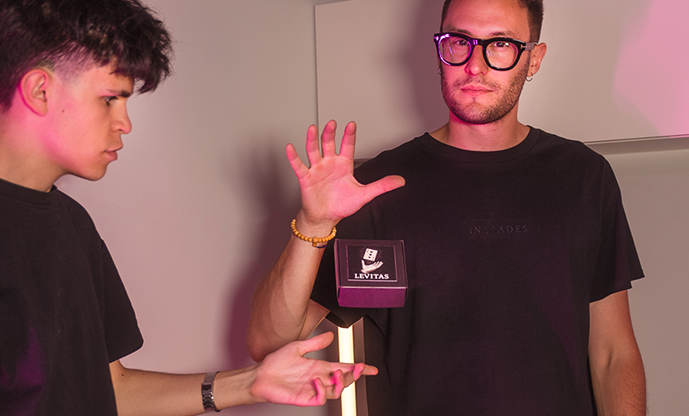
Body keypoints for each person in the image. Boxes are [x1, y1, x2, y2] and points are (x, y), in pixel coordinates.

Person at [0, 0, 378, 414]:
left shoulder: (72, 222)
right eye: (109, 99)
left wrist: (250, 384)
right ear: (40, 90)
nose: (125, 123)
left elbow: (113, 390)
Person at [246, 0, 647, 414]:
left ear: (534, 58)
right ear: (440, 49)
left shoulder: (583, 177)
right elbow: (268, 342)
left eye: (501, 44)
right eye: (460, 41)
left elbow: (613, 354)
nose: (475, 65)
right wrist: (313, 223)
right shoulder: (378, 189)